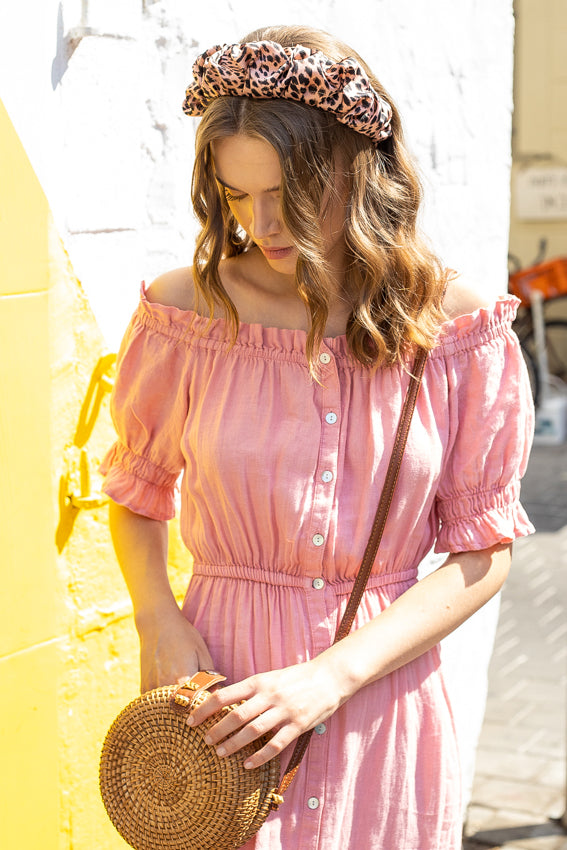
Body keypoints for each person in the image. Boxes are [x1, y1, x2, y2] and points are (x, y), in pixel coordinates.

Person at [100, 24, 534, 850]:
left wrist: (332, 676)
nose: (262, 223)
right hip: (222, 696)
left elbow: (483, 555)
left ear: (354, 168)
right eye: (236, 197)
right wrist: (155, 615)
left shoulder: (455, 327)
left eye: (287, 194)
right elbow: (135, 491)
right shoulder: (187, 312)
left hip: (382, 695)